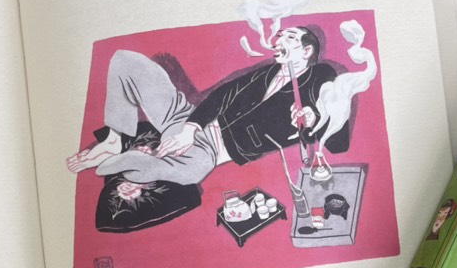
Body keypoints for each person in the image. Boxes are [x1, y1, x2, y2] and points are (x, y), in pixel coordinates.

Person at [67, 25, 351, 187]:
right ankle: (114, 140)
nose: (278, 40)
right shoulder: (268, 72)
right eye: (280, 36)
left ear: (307, 50)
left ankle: (138, 161)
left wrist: (316, 117)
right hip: (187, 118)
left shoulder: (321, 74)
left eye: (288, 37)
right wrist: (189, 128)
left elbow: (338, 142)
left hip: (210, 150)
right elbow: (224, 94)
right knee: (125, 60)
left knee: (190, 172)